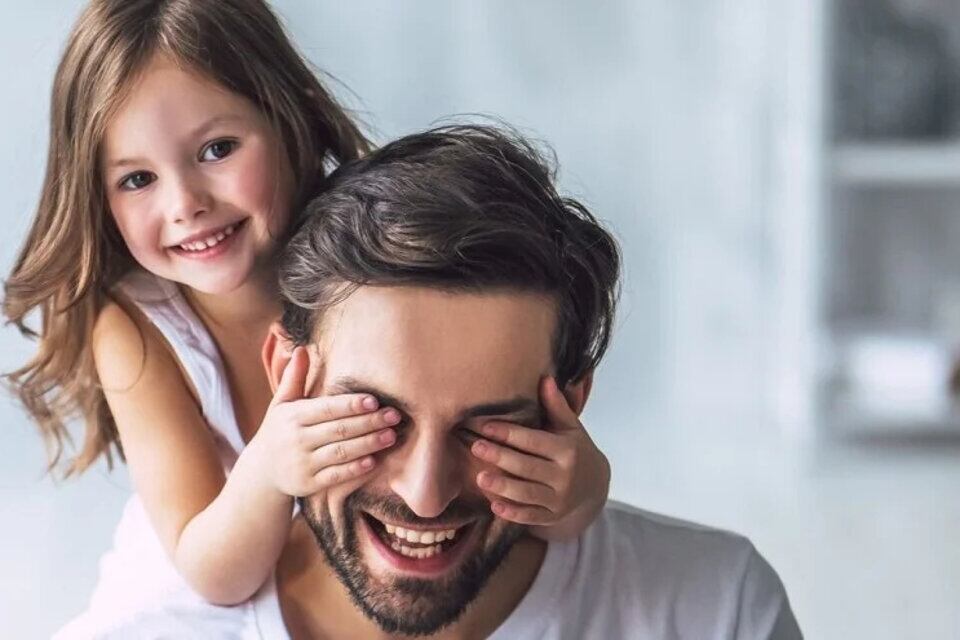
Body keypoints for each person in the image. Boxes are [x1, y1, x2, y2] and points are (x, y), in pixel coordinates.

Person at [2, 2, 611, 636]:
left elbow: (546, 517)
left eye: (217, 149)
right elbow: (214, 576)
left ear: (288, 117)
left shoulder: (362, 258)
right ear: (94, 193)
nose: (185, 204)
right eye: (136, 179)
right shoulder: (137, 330)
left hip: (360, 580)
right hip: (210, 584)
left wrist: (583, 484)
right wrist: (269, 469)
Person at [200, 124, 801, 638]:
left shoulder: (721, 609)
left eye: (486, 430)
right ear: (287, 373)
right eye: (378, 419)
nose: (425, 495)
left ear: (570, 404)